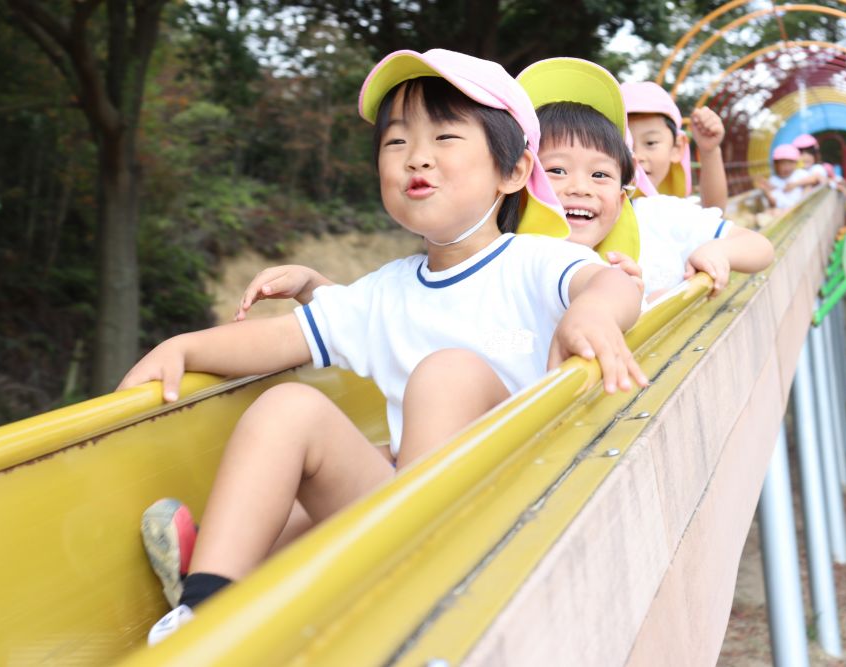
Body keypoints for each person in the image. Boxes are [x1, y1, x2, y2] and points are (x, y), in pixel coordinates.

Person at [121, 48, 647, 645]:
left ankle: (393, 586)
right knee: (287, 409)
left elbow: (608, 282)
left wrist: (593, 313)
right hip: (402, 526)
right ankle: (207, 612)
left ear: (514, 171)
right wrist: (185, 347)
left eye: (445, 136)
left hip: (508, 517)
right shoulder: (384, 293)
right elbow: (280, 340)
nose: (416, 156)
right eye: (396, 143)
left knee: (447, 374)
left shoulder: (536, 262)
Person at [238, 59, 773, 317]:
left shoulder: (657, 221)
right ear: (526, 177)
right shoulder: (514, 249)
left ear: (628, 184)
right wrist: (313, 286)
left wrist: (715, 248)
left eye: (600, 174)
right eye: (557, 171)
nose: (577, 189)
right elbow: (403, 306)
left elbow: (761, 245)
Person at [621, 81, 729, 211]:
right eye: (625, 145)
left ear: (677, 148)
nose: (637, 156)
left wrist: (710, 151)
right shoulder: (599, 207)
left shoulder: (673, 210)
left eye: (650, 143)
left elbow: (714, 212)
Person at [756, 144, 807, 213]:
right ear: (776, 165)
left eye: (790, 163)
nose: (787, 167)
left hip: (801, 207)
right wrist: (766, 191)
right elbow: (774, 202)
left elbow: (814, 180)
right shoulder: (773, 180)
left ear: (796, 163)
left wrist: (795, 184)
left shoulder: (799, 174)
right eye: (783, 164)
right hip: (784, 210)